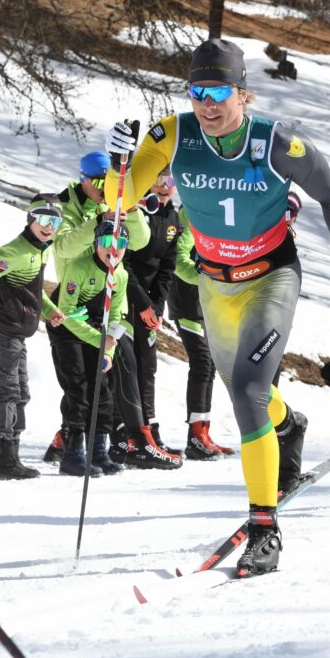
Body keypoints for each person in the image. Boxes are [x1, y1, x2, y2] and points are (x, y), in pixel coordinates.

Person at [103, 38, 330, 577]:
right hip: (213, 284)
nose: (208, 103)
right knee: (249, 392)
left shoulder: (276, 143)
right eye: (198, 91)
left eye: (219, 91)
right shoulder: (172, 135)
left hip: (271, 278)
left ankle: (265, 529)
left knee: (246, 390)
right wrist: (117, 162)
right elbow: (119, 201)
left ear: (242, 94)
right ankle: (288, 426)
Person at [41, 151, 154, 463]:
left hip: (106, 295)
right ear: (83, 179)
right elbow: (62, 246)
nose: (105, 187)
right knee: (77, 377)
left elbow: (140, 240)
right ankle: (73, 438)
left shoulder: (113, 202)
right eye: (100, 182)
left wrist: (128, 208)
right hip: (74, 300)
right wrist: (98, 222)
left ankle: (108, 438)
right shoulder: (65, 206)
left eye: (110, 182)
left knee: (111, 369)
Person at [47, 221, 182, 475]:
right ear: (97, 243)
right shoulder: (79, 268)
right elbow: (65, 313)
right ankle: (73, 453)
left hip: (96, 331)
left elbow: (116, 318)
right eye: (107, 242)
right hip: (68, 332)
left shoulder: (120, 275)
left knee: (104, 388)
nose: (114, 249)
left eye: (120, 244)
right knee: (79, 389)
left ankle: (98, 450)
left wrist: (107, 351)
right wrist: (100, 340)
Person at [134, 168, 235, 460]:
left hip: (208, 303)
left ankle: (200, 431)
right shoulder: (190, 214)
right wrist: (205, 277)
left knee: (209, 364)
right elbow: (179, 260)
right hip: (186, 300)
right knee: (202, 360)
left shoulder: (221, 217)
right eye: (162, 180)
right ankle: (193, 436)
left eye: (172, 182)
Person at [0, 204, 67, 480]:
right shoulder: (15, 252)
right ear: (30, 220)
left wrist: (49, 311)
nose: (49, 227)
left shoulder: (41, 249)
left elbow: (31, 291)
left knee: (21, 393)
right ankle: (2, 461)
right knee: (8, 392)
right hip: (2, 330)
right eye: (43, 220)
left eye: (55, 223)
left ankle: (12, 455)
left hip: (18, 333)